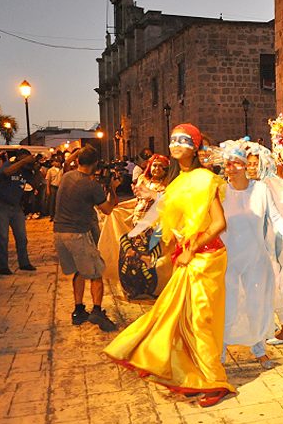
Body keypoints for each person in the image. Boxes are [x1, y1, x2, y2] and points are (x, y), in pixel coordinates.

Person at [104, 123, 235, 407]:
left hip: (208, 258)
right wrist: (153, 252)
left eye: (184, 140)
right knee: (177, 318)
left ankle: (214, 381)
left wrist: (193, 249)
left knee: (201, 321)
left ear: (196, 147)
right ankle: (190, 376)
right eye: (173, 139)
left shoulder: (204, 178)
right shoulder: (175, 185)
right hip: (187, 257)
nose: (176, 144)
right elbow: (166, 227)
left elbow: (219, 224)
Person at [219, 139, 283, 369]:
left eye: (236, 163)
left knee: (256, 304)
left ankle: (259, 349)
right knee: (228, 306)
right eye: (227, 164)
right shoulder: (220, 192)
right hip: (229, 260)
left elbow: (276, 219)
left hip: (256, 259)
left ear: (245, 165)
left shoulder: (260, 190)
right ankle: (220, 354)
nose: (231, 168)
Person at [244, 142, 283, 345]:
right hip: (258, 243)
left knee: (271, 285)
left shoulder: (268, 184)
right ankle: (271, 327)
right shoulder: (251, 185)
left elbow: (281, 214)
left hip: (271, 243)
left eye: (255, 163)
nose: (251, 167)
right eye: (248, 164)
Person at [54, 146, 120, 332]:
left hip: (59, 233)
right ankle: (97, 311)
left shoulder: (67, 176)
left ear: (78, 161)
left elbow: (67, 163)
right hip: (77, 234)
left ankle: (78, 310)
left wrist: (80, 152)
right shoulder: (92, 186)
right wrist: (113, 190)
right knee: (96, 273)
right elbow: (107, 210)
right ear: (95, 164)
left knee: (79, 271)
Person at [117, 154, 169, 300]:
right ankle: (134, 288)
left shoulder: (168, 184)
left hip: (155, 226)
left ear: (166, 169)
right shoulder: (143, 180)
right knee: (133, 257)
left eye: (160, 166)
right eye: (154, 165)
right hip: (138, 223)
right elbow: (137, 200)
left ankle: (155, 288)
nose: (157, 168)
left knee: (153, 257)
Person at [0, 149, 37, 275]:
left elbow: (33, 183)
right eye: (24, 158)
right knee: (2, 237)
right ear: (19, 157)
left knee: (22, 236)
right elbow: (5, 172)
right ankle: (2, 266)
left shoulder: (27, 171)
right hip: (0, 204)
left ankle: (24, 262)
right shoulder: (9, 165)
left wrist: (32, 166)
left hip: (16, 206)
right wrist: (22, 162)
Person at [45, 157, 63, 221]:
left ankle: (58, 215)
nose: (58, 163)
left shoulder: (62, 170)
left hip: (60, 187)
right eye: (57, 162)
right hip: (53, 187)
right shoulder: (50, 170)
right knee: (52, 202)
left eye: (59, 162)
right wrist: (48, 189)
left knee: (59, 202)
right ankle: (52, 216)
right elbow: (48, 180)